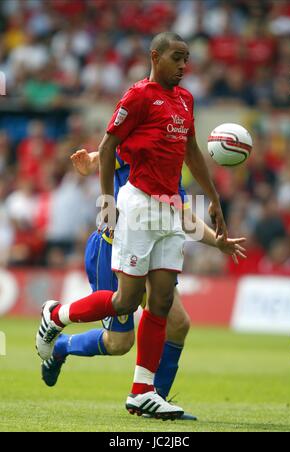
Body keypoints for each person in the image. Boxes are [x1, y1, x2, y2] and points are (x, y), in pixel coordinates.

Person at [36, 32, 228, 420]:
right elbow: (103, 151)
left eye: (188, 59)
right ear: (156, 57)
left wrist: (215, 214)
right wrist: (104, 195)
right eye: (178, 58)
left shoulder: (183, 107)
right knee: (120, 330)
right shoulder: (137, 107)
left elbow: (187, 173)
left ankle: (148, 393)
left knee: (171, 314)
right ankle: (56, 322)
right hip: (123, 225)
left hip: (164, 217)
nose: (185, 66)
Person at [41, 149, 246, 422]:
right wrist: (90, 162)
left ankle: (153, 398)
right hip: (113, 249)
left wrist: (218, 242)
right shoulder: (140, 145)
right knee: (119, 343)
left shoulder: (171, 170)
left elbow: (184, 219)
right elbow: (106, 151)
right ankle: (62, 344)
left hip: (151, 249)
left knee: (179, 323)